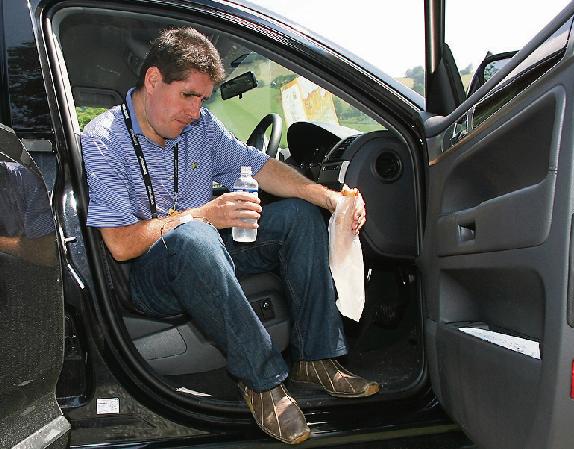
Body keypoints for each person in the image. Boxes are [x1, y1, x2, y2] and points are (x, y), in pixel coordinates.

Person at [81, 27, 378, 445]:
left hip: (209, 248)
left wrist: (329, 198)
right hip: (150, 274)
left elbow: (260, 166)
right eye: (188, 95)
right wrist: (201, 216)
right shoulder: (104, 141)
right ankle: (262, 381)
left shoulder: (200, 127)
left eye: (203, 99)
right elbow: (119, 243)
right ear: (152, 80)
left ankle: (317, 357)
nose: (196, 110)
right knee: (195, 237)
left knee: (297, 215)